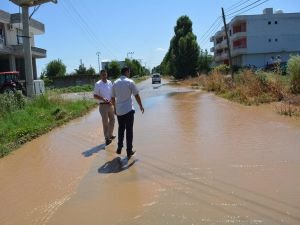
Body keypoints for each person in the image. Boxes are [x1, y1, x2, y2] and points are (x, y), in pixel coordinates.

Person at [111, 67, 144, 159]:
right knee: (129, 130)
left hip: (119, 111)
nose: (129, 73)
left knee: (121, 128)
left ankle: (119, 146)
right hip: (129, 110)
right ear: (126, 72)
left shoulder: (115, 82)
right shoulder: (130, 82)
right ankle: (129, 151)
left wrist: (115, 108)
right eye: (129, 72)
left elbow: (112, 98)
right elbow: (136, 95)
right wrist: (141, 106)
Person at [94, 70, 115, 145]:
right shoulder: (98, 84)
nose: (104, 76)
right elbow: (95, 95)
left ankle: (110, 134)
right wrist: (103, 98)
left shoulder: (109, 82)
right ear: (100, 75)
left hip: (110, 104)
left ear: (107, 74)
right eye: (103, 75)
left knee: (112, 120)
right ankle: (106, 138)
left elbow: (112, 93)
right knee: (105, 122)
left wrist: (113, 102)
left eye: (105, 74)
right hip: (103, 105)